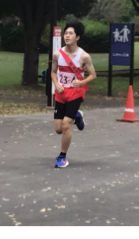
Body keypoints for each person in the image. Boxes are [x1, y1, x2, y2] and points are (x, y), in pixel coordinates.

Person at [51, 21, 95, 168]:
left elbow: (93, 75)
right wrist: (56, 84)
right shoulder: (57, 54)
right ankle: (77, 116)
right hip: (61, 93)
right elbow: (53, 72)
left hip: (75, 93)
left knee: (65, 126)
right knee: (58, 129)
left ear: (77, 37)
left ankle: (62, 157)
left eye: (70, 33)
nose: (67, 36)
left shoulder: (84, 56)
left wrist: (81, 82)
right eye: (66, 33)